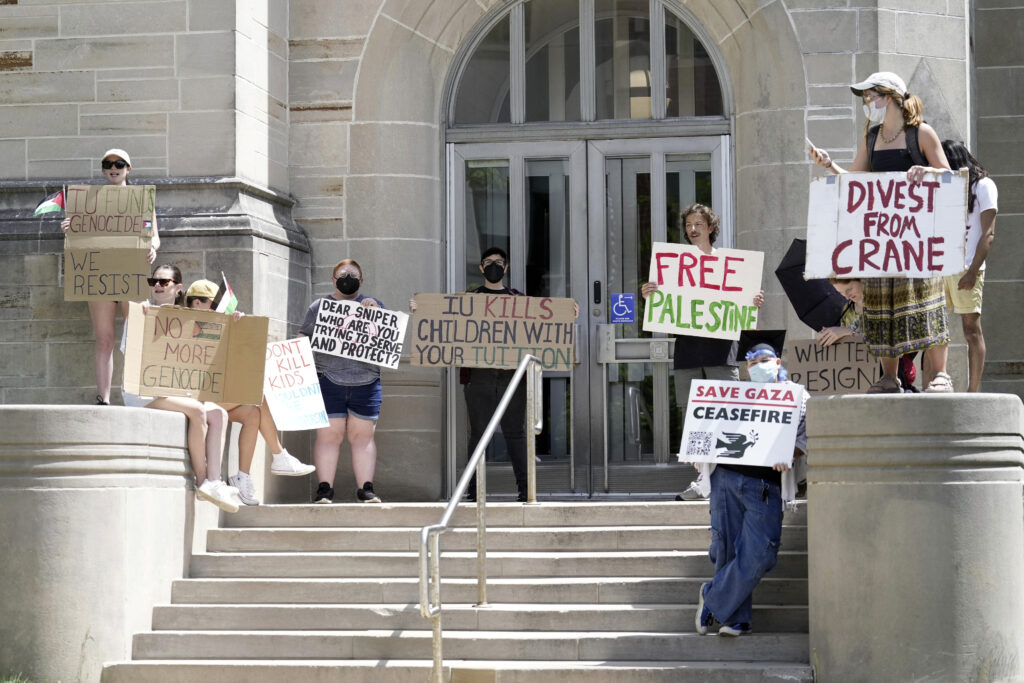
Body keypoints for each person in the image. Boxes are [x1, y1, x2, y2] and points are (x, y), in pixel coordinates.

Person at [809, 72, 953, 393]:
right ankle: (890, 376)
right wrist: (830, 165)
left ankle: (940, 373)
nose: (867, 103)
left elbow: (950, 177)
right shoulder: (871, 138)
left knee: (928, 300)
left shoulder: (921, 134)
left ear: (888, 96)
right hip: (883, 240)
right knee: (882, 307)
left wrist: (927, 171)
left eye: (870, 96)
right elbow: (855, 180)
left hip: (917, 237)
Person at [639, 204, 764, 501]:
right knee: (697, 420)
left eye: (698, 223)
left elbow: (744, 305)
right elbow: (665, 307)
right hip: (689, 354)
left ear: (710, 227)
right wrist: (649, 295)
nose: (692, 229)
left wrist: (754, 300)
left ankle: (730, 480)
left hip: (722, 353)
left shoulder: (731, 265)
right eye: (688, 224)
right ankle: (704, 480)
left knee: (729, 416)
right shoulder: (673, 267)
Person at [695, 339, 807, 637]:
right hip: (726, 479)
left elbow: (805, 436)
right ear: (746, 367)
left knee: (763, 552)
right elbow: (705, 427)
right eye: (753, 362)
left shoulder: (796, 397)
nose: (760, 366)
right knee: (727, 548)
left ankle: (713, 596)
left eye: (765, 360)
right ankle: (736, 618)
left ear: (778, 363)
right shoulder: (731, 395)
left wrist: (790, 452)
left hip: (766, 485)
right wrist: (694, 449)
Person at [185, 279, 316, 506]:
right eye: (216, 305)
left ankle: (243, 477)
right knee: (256, 393)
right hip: (192, 398)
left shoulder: (218, 325)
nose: (220, 310)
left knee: (252, 413)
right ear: (198, 303)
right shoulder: (184, 325)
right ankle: (278, 454)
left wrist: (238, 327)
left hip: (213, 396)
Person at [124, 265, 238, 513]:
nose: (157, 285)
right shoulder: (142, 312)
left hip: (173, 391)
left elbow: (217, 344)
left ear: (178, 288)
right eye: (154, 280)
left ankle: (215, 481)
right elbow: (132, 356)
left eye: (164, 282)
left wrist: (234, 321)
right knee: (197, 410)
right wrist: (141, 320)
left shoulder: (186, 319)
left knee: (219, 413)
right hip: (144, 394)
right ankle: (202, 481)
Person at [62, 149, 161, 405]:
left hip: (132, 272)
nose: (113, 168)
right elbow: (81, 236)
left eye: (119, 164)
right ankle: (103, 397)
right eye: (107, 164)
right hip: (100, 275)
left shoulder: (141, 200)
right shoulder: (90, 200)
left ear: (129, 168)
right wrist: (69, 228)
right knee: (104, 338)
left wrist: (152, 248)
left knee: (135, 336)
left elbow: (153, 233)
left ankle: (135, 394)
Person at [299, 259, 384, 504]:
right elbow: (303, 336)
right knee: (329, 436)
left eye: (353, 274)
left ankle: (366, 489)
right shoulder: (319, 307)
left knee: (363, 437)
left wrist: (376, 312)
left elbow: (387, 338)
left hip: (366, 381)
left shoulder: (375, 306)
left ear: (362, 280)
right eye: (343, 273)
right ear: (334, 279)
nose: (348, 277)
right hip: (328, 380)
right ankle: (324, 489)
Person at [940, 140, 997, 392]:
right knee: (934, 332)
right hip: (939, 267)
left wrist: (973, 271)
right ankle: (935, 383)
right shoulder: (944, 185)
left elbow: (988, 234)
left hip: (966, 267)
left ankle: (973, 391)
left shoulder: (983, 186)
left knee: (971, 329)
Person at [821, 277, 918, 392]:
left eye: (849, 289)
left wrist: (848, 332)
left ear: (861, 279)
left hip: (885, 370)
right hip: (858, 375)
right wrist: (830, 336)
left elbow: (892, 336)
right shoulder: (847, 309)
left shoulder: (883, 302)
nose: (846, 296)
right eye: (841, 293)